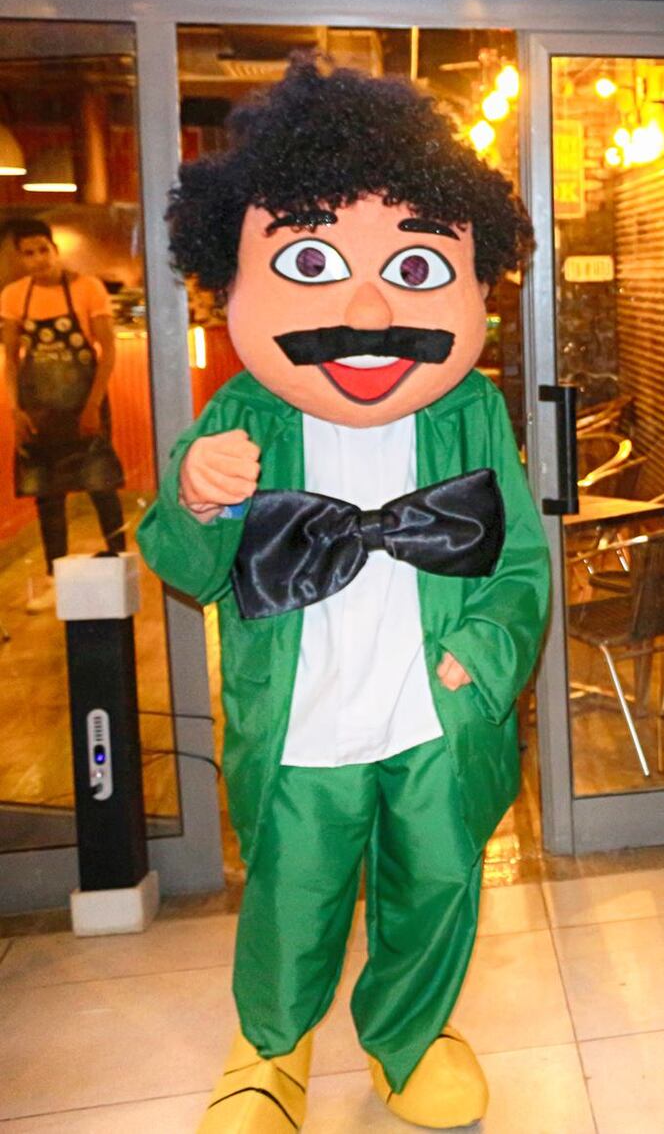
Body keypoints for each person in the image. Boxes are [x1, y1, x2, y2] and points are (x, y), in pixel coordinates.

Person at [137, 58, 550, 1134]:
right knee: (294, 892)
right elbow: (183, 562)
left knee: (436, 885)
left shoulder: (471, 412)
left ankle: (409, 1039)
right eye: (313, 262)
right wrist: (198, 496)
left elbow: (520, 563)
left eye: (412, 266)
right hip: (303, 717)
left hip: (433, 710)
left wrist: (480, 657)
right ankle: (270, 1052)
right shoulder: (243, 412)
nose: (367, 309)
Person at [1, 220, 125, 611]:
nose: (38, 259)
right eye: (29, 253)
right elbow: (11, 359)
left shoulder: (88, 288)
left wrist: (93, 404)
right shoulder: (13, 296)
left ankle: (120, 565)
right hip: (38, 408)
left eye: (43, 250)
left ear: (54, 250)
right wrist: (15, 410)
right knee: (46, 494)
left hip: (84, 402)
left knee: (101, 484)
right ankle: (54, 577)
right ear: (20, 258)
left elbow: (108, 350)